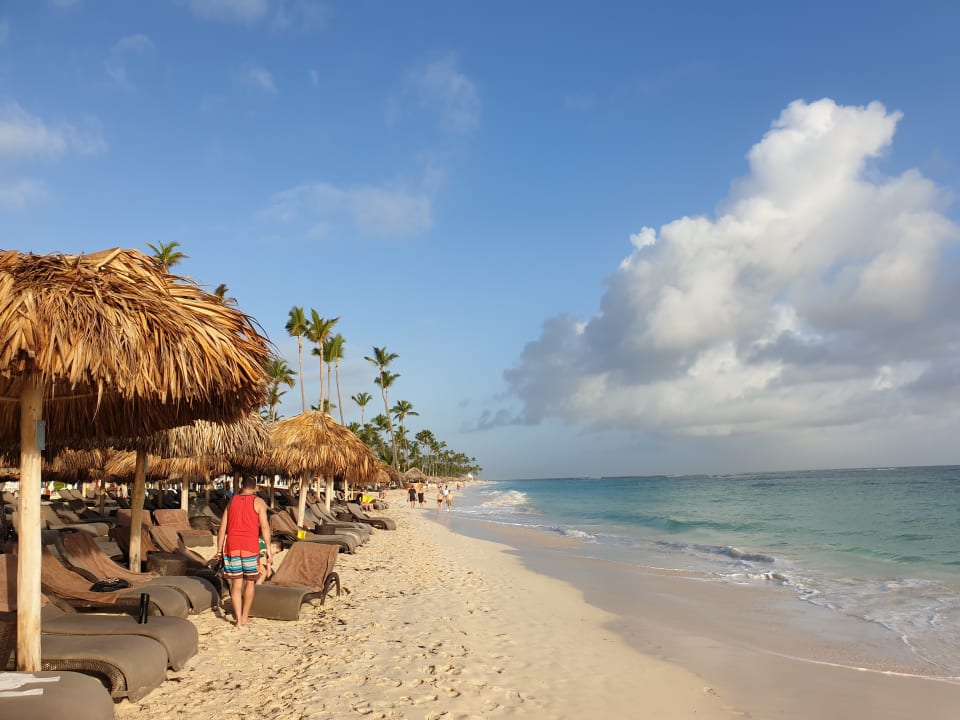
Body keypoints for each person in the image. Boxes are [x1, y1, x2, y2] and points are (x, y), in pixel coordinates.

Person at [216, 476, 272, 628]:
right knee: (249, 584)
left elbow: (222, 529)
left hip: (232, 546)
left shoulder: (231, 501)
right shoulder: (259, 503)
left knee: (236, 584)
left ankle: (238, 621)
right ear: (255, 488)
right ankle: (244, 618)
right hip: (250, 547)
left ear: (241, 486)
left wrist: (219, 551)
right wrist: (268, 549)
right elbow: (265, 527)